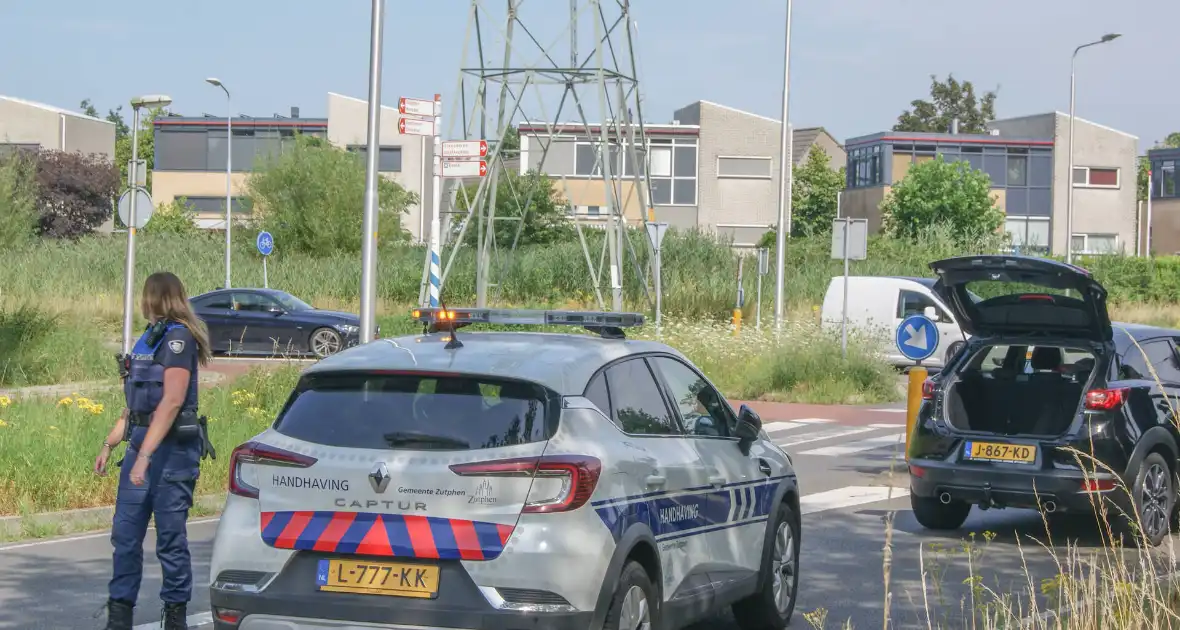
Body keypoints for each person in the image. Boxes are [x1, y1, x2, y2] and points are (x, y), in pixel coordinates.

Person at [94, 271, 214, 630]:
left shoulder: (179, 338)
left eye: (146, 295)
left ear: (155, 297)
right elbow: (136, 402)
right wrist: (110, 441)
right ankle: (119, 617)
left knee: (169, 540)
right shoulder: (148, 338)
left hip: (172, 452)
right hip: (139, 444)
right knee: (125, 537)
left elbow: (173, 400)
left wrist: (145, 455)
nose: (142, 301)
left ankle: (174, 616)